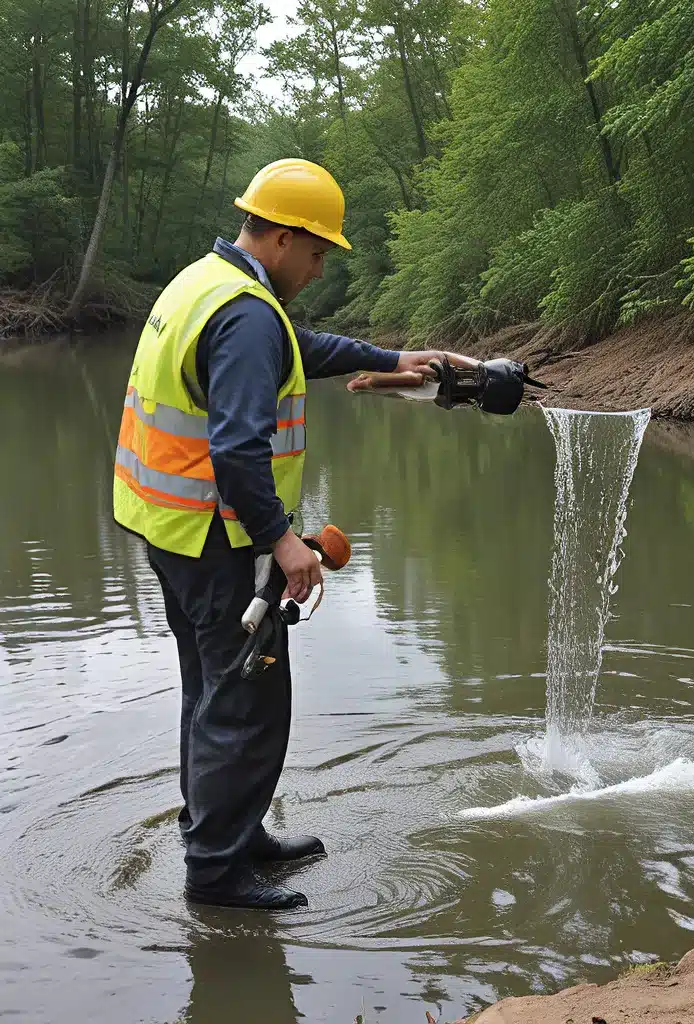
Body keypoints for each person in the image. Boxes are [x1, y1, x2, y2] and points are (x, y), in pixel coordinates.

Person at [112, 158, 472, 910]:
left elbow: (291, 347)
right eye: (316, 253)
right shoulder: (244, 311)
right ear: (280, 237)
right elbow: (238, 450)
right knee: (245, 704)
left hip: (171, 530)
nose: (316, 268)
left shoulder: (204, 283)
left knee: (210, 693)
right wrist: (284, 543)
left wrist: (388, 359)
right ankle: (217, 875)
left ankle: (228, 835)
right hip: (222, 542)